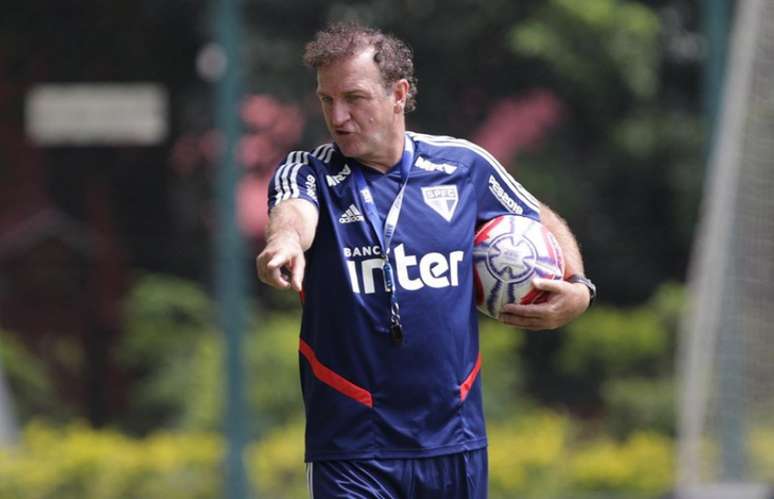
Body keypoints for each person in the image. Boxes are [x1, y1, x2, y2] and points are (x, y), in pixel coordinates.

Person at [256, 22, 595, 499]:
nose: (338, 115)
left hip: (454, 443)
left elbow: (541, 218)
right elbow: (294, 213)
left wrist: (578, 288)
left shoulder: (463, 166)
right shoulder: (309, 171)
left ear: (398, 93)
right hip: (353, 448)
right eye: (326, 99)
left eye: (354, 97)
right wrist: (285, 243)